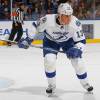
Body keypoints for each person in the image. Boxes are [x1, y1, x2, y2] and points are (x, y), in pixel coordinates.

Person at [18, 3, 93, 96]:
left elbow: (81, 40)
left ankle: (85, 83)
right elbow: (35, 26)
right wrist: (28, 39)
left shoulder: (75, 22)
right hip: (50, 42)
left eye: (70, 16)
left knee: (78, 61)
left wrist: (77, 49)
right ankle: (51, 85)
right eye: (66, 16)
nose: (69, 19)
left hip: (68, 42)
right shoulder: (48, 19)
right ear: (59, 15)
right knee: (49, 60)